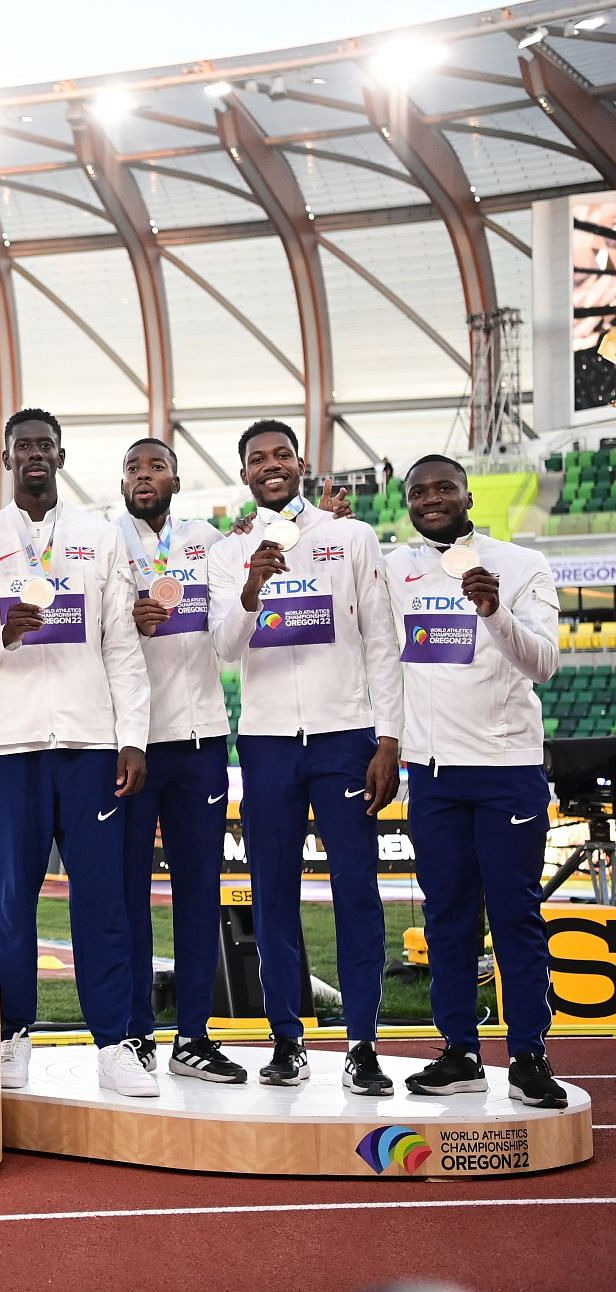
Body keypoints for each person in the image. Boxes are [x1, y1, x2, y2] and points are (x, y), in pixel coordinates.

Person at [0, 408, 153, 1095]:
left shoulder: (98, 535)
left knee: (101, 902)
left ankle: (115, 1043)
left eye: (45, 445)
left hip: (90, 744)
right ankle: (13, 1035)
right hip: (11, 746)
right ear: (8, 458)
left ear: (61, 455)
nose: (35, 455)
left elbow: (123, 648)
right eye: (23, 447)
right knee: (12, 901)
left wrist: (131, 738)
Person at [208, 419, 401, 1093]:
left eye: (281, 454)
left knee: (356, 891)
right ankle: (287, 1039)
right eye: (257, 459)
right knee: (273, 896)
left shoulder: (350, 536)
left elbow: (381, 639)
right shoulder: (231, 552)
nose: (271, 465)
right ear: (244, 475)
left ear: (300, 463)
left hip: (345, 737)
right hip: (264, 742)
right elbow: (226, 648)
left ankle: (363, 1043)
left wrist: (388, 736)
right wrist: (252, 588)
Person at [386, 455, 567, 1108]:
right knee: (447, 922)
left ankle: (528, 1055)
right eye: (418, 492)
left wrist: (494, 611)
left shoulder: (521, 565)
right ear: (406, 502)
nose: (431, 498)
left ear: (466, 494)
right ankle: (460, 1050)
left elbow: (543, 664)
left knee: (515, 917)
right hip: (433, 777)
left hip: (507, 772)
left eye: (443, 488)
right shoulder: (396, 568)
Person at [116, 438, 246, 1083]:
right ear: (122, 482)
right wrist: (124, 618)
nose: (145, 477)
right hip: (132, 744)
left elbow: (228, 641)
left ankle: (192, 1036)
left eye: (156, 466)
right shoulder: (106, 540)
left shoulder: (211, 541)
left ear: (176, 476)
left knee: (199, 893)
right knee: (128, 894)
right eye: (134, 468)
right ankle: (137, 1034)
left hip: (199, 741)